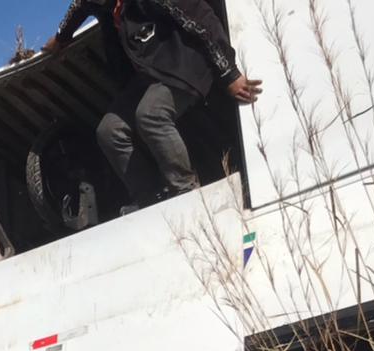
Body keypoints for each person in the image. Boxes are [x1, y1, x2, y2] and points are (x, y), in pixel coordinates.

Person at [45, 0, 262, 207]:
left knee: (150, 114)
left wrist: (228, 72)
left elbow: (202, 21)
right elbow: (78, 7)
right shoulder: (101, 4)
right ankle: (150, 199)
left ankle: (186, 190)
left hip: (184, 65)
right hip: (150, 75)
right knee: (109, 131)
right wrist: (61, 37)